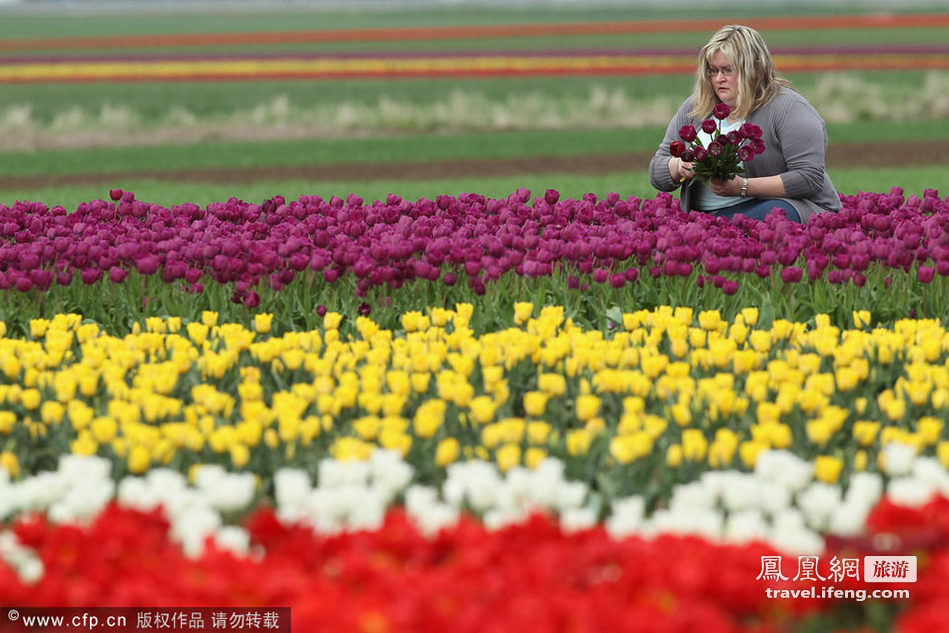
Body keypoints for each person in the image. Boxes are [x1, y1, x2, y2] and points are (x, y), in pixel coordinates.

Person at [649, 24, 840, 223]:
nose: (719, 79)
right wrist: (679, 166)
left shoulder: (789, 108)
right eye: (713, 71)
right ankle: (713, 229)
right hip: (704, 216)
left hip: (777, 206)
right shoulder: (697, 107)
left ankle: (715, 231)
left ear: (756, 69)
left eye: (727, 70)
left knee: (777, 215)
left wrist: (742, 187)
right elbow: (657, 171)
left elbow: (809, 178)